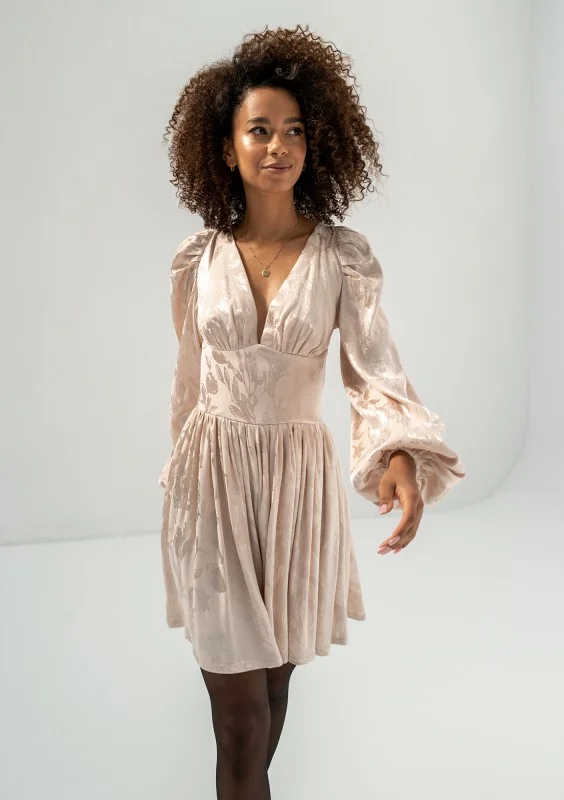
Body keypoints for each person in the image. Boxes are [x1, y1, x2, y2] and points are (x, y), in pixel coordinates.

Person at [158, 23, 466, 800]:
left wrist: (399, 457)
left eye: (294, 131)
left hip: (296, 491)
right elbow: (189, 379)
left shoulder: (340, 257)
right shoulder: (199, 260)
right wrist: (178, 476)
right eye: (259, 130)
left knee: (272, 691)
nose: (278, 146)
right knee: (237, 721)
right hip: (213, 487)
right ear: (226, 147)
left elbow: (374, 371)